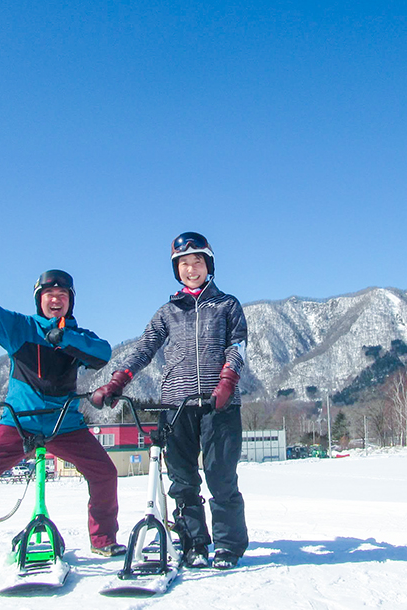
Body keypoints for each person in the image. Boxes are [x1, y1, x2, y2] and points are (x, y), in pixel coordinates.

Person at [0, 268, 125, 574]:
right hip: (19, 422)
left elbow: (102, 353)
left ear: (70, 301)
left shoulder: (79, 336)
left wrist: (65, 338)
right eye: (49, 295)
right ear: (38, 300)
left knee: (105, 473)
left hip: (64, 424)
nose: (56, 300)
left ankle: (103, 539)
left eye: (62, 295)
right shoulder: (19, 328)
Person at [90, 232, 248, 570]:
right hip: (176, 407)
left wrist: (226, 383)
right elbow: (144, 349)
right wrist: (118, 381)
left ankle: (228, 546)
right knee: (183, 480)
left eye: (198, 262)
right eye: (185, 264)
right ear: (177, 270)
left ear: (209, 266)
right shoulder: (167, 312)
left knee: (221, 477)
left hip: (219, 406)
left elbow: (237, 347)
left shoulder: (227, 305)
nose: (192, 269)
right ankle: (194, 544)